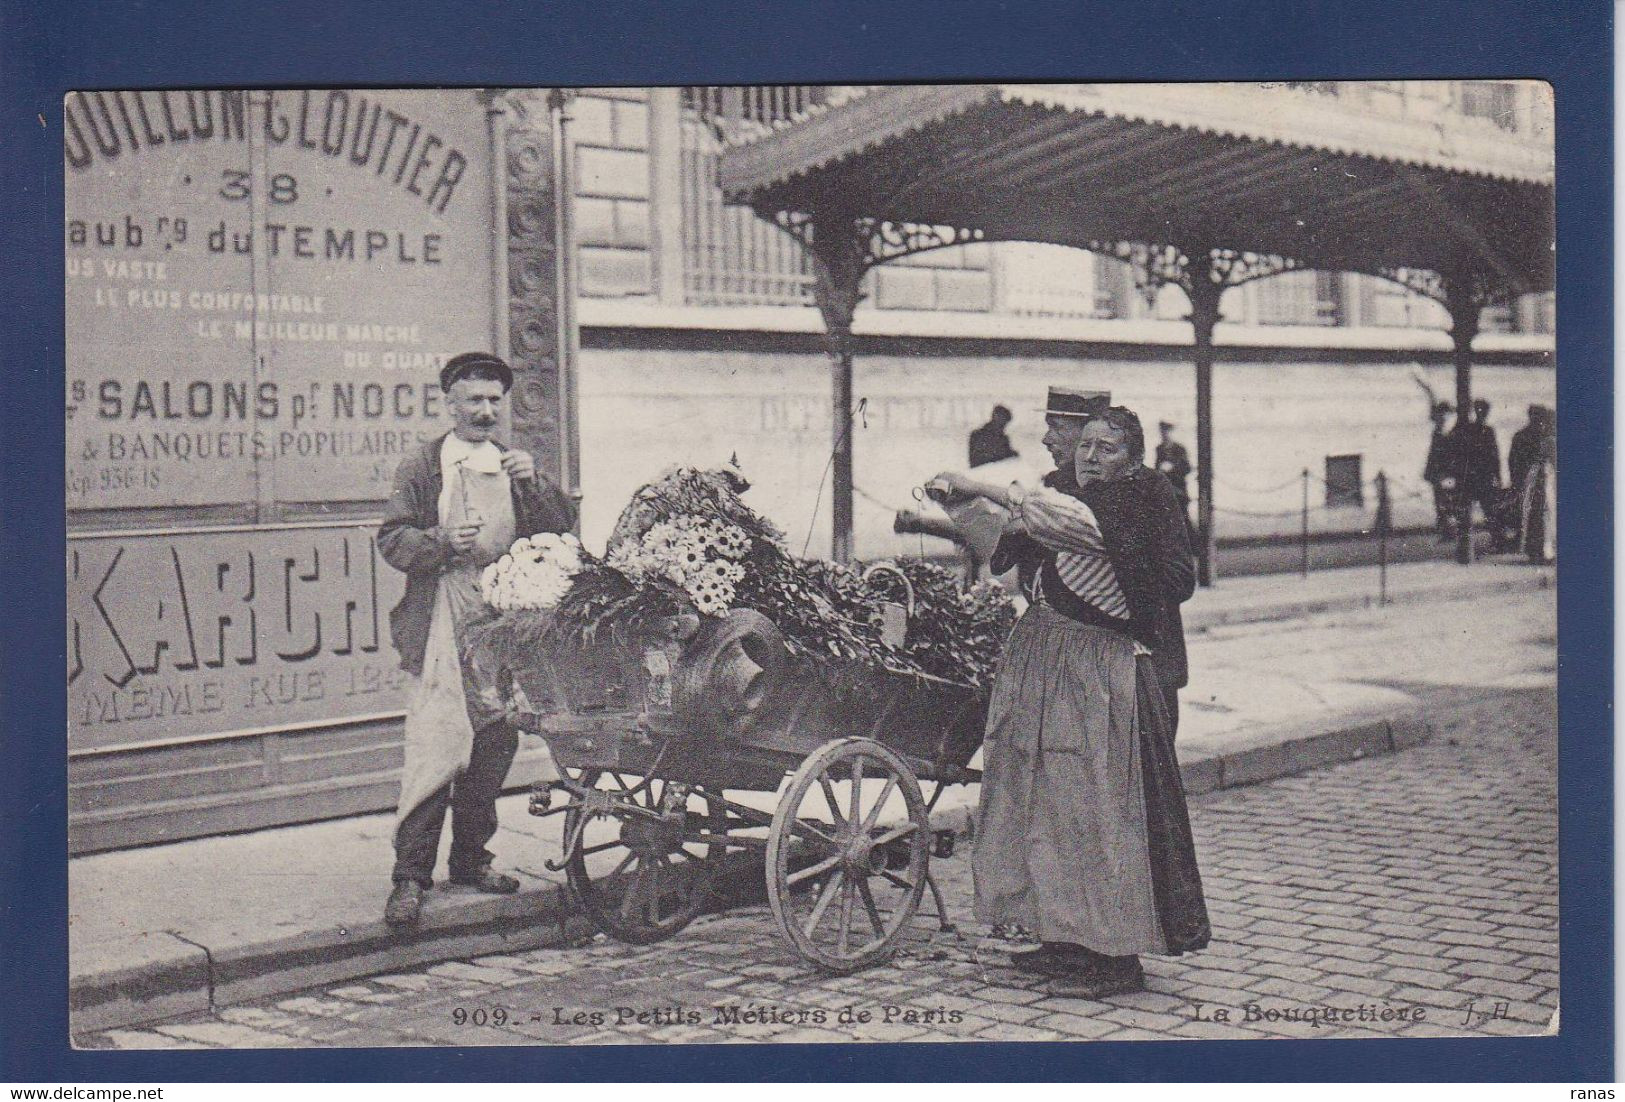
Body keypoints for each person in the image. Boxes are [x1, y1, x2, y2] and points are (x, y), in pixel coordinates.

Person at [933, 405, 1208, 999]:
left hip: (1099, 669)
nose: (1088, 455)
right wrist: (955, 509)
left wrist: (979, 486)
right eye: (1084, 445)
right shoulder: (1066, 492)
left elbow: (1068, 526)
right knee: (1042, 801)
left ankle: (1113, 957)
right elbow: (1012, 542)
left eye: (1104, 447)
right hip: (1048, 657)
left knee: (1097, 807)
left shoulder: (1138, 499)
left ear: (1130, 457)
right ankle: (1058, 936)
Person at [378, 352, 577, 927]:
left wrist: (535, 485)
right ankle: (410, 878)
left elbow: (559, 530)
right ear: (450, 403)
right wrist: (441, 540)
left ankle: (470, 861)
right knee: (437, 747)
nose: (486, 411)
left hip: (501, 620)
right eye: (474, 400)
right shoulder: (424, 463)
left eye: (495, 400)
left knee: (494, 746)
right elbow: (392, 539)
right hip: (444, 616)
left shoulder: (514, 466)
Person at [1422, 401, 1457, 541]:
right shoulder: (1440, 431)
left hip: (1443, 474)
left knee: (1445, 503)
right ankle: (1447, 531)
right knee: (1442, 503)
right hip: (1439, 474)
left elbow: (1444, 456)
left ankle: (1449, 532)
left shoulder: (1444, 433)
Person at [1154, 419, 1194, 537]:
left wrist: (1172, 468)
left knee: (1184, 520)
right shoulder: (1159, 449)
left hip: (1179, 490)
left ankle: (1196, 548)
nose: (1164, 434)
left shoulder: (1179, 449)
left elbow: (1187, 468)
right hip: (1165, 491)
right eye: (1162, 431)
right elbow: (1157, 469)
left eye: (1166, 431)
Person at [968, 404, 1019, 468]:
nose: (1003, 427)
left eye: (1005, 424)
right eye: (1002, 424)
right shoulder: (978, 435)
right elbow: (980, 460)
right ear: (995, 419)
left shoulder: (1004, 439)